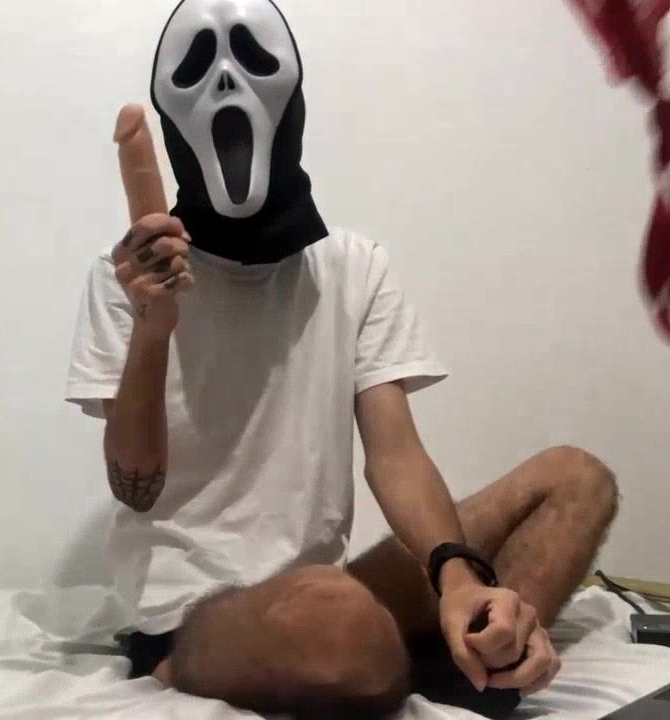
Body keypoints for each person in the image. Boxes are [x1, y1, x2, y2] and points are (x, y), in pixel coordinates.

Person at [65, 1, 619, 716]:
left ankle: (474, 651)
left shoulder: (353, 267)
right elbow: (135, 488)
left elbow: (396, 454)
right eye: (199, 65)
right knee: (338, 618)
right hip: (196, 612)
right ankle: (350, 660)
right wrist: (153, 328)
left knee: (578, 480)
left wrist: (458, 575)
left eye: (251, 58)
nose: (227, 81)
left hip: (325, 588)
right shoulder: (127, 280)